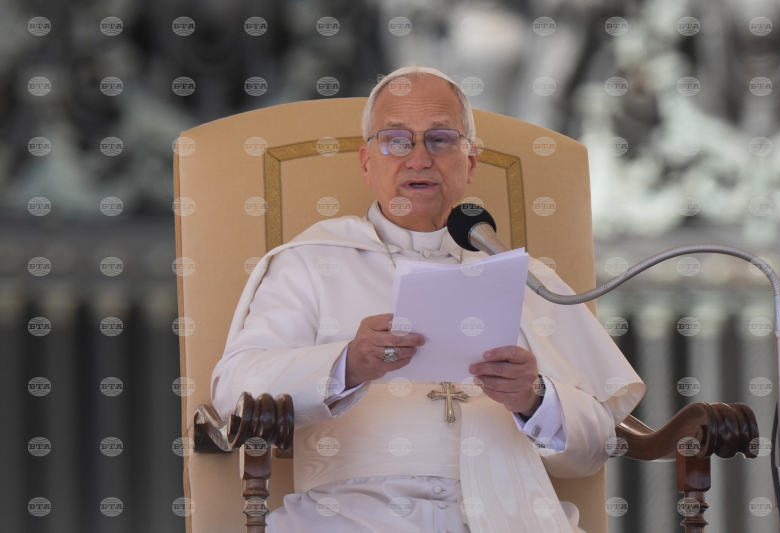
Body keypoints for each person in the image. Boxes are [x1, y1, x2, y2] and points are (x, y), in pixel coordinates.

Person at [211, 64, 645, 533]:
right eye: (396, 140)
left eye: (440, 139)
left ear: (470, 162)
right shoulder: (311, 261)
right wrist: (347, 364)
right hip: (352, 516)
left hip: (511, 513)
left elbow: (595, 449)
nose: (418, 159)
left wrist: (534, 398)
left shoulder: (526, 278)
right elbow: (234, 393)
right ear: (367, 163)